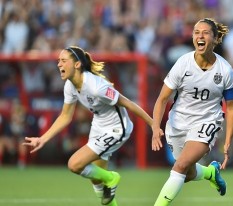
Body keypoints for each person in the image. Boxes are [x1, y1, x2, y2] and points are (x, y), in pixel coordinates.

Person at [22, 46, 155, 206]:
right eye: (58, 61)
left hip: (117, 128)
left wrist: (153, 125)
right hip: (99, 125)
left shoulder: (96, 87)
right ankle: (108, 182)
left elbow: (128, 103)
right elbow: (65, 116)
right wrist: (43, 139)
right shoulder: (70, 86)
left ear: (77, 64)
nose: (59, 64)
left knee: (75, 164)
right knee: (97, 181)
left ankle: (112, 177)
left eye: (63, 61)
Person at [151, 18, 233, 205]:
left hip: (207, 122)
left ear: (215, 39)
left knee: (180, 166)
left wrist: (228, 141)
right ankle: (210, 172)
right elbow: (162, 99)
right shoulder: (183, 64)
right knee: (187, 172)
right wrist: (155, 128)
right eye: (196, 32)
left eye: (205, 32)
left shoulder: (225, 71)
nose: (200, 36)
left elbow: (231, 108)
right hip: (178, 123)